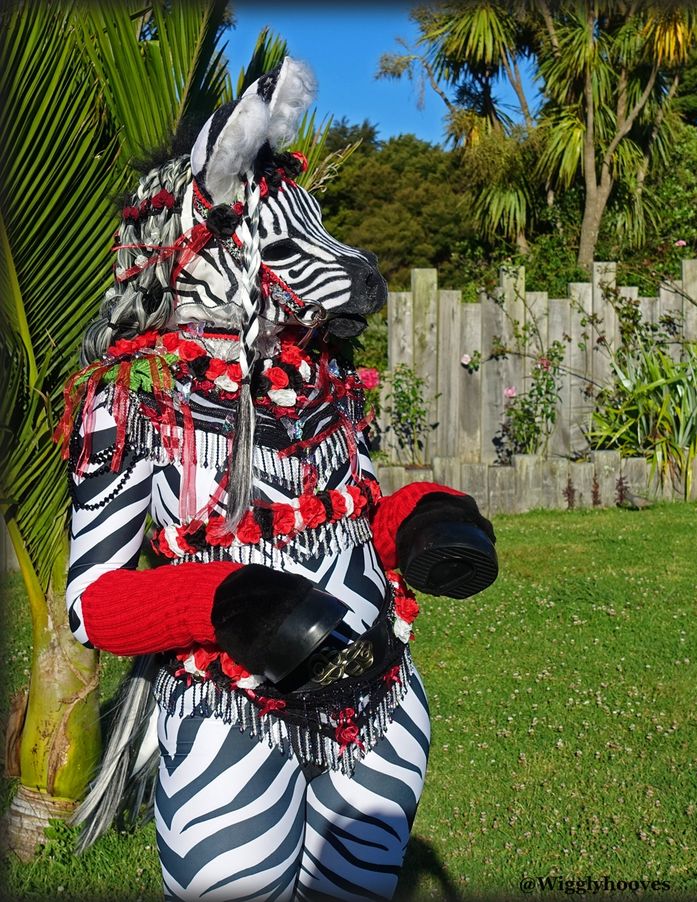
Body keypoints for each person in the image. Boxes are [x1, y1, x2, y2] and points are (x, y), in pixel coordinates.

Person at [58, 57, 497, 900]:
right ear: (214, 251)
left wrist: (419, 521)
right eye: (288, 244)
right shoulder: (133, 401)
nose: (355, 271)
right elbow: (95, 603)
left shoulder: (317, 376)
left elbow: (355, 505)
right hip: (233, 718)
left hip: (379, 700)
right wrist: (221, 602)